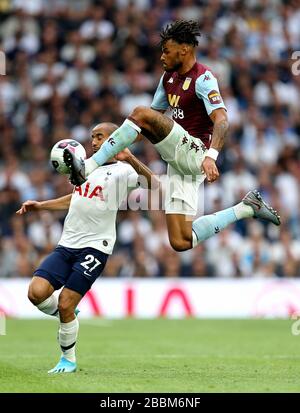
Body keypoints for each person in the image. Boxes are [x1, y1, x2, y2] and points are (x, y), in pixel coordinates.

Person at [64, 20, 280, 253]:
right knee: (180, 241)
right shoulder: (167, 79)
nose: (161, 57)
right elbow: (144, 126)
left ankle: (87, 167)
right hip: (179, 162)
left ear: (184, 49)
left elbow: (222, 120)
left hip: (196, 152)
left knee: (139, 112)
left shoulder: (204, 78)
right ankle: (247, 207)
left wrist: (211, 156)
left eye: (166, 51)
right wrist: (116, 145)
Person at [16, 122, 159, 374]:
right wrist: (41, 205)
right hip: (67, 244)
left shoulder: (123, 171)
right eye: (92, 136)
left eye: (99, 136)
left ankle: (68, 360)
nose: (93, 141)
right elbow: (76, 198)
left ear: (114, 139)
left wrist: (131, 157)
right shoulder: (86, 166)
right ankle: (68, 313)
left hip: (96, 247)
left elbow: (154, 185)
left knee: (65, 302)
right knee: (35, 293)